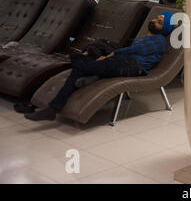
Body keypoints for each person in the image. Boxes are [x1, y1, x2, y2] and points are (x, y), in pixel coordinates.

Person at [24, 11, 175, 121]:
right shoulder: (148, 38)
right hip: (124, 62)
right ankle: (54, 106)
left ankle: (53, 107)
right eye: (156, 18)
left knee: (79, 62)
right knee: (79, 62)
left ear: (163, 29)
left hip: (133, 65)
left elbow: (134, 50)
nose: (155, 20)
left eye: (159, 22)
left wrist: (113, 54)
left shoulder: (159, 41)